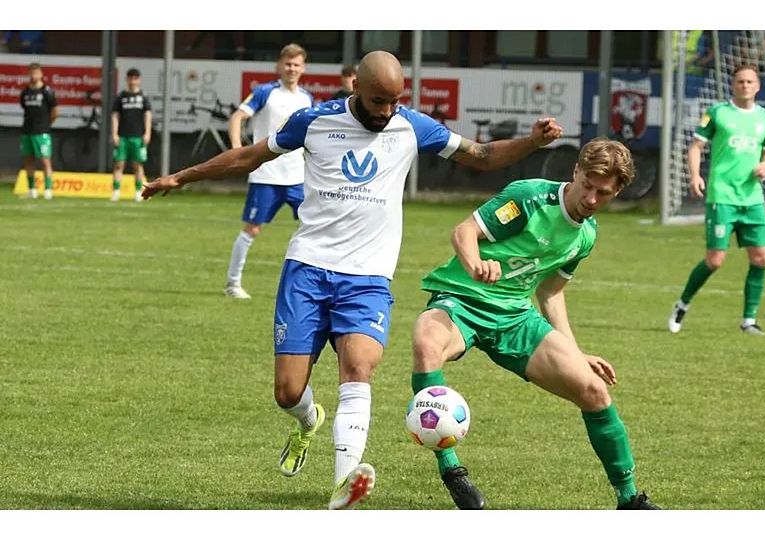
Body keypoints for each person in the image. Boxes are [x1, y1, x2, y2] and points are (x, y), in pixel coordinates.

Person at [141, 50, 562, 510]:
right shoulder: (314, 121)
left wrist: (531, 142)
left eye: (395, 101)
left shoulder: (412, 126)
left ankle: (344, 486)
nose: (387, 112)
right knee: (287, 393)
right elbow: (250, 156)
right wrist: (181, 177)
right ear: (356, 88)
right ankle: (307, 420)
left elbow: (480, 156)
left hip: (367, 279)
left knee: (359, 367)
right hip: (307, 269)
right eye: (379, 101)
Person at [411, 138, 660, 510]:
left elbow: (551, 293)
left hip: (515, 318)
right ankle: (452, 470)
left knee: (594, 391)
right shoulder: (529, 197)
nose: (591, 199)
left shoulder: (586, 236)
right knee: (426, 340)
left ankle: (630, 500)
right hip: (463, 300)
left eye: (603, 193)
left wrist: (575, 353)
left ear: (618, 191)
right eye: (587, 186)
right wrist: (476, 264)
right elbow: (464, 233)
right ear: (575, 172)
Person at [668, 64, 765, 336]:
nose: (745, 86)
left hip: (752, 198)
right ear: (733, 85)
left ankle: (749, 321)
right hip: (723, 196)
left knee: (761, 258)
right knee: (715, 260)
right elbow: (696, 146)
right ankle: (682, 304)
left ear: (758, 86)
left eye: (750, 81)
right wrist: (694, 176)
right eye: (740, 81)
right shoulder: (718, 113)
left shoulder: (764, 118)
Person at [223, 43, 314, 300]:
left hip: (299, 177)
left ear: (303, 68)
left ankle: (309, 287)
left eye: (296, 64)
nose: (292, 69)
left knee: (315, 226)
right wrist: (237, 150)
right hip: (266, 176)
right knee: (252, 228)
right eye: (287, 64)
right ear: (279, 66)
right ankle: (233, 283)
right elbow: (237, 117)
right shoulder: (265, 92)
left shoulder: (307, 98)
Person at [110, 68, 152, 203]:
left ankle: (139, 191)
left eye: (135, 78)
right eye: (130, 78)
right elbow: (115, 116)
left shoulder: (143, 97)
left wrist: (147, 132)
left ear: (138, 80)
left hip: (137, 137)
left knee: (137, 165)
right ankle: (116, 192)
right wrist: (114, 133)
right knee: (118, 164)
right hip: (123, 136)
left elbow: (148, 115)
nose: (132, 81)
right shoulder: (121, 97)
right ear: (126, 79)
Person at [19, 63, 58, 200]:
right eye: (31, 72)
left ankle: (48, 189)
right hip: (27, 131)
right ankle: (32, 190)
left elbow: (54, 111)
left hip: (42, 131)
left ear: (41, 74)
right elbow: (25, 108)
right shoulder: (25, 92)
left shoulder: (47, 91)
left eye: (36, 72)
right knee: (28, 160)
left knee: (45, 160)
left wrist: (47, 125)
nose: (33, 75)